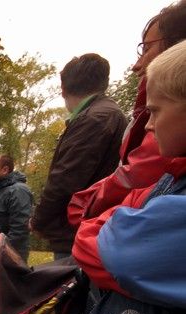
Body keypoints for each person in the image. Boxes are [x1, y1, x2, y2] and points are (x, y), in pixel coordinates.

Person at [58, 41, 186, 314]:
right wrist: (123, 220)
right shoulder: (171, 180)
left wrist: (113, 224)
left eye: (157, 111)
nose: (149, 125)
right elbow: (126, 215)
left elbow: (108, 249)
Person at [68, 2, 186, 227]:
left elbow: (137, 175)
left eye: (146, 49)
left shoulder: (97, 117)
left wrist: (81, 208)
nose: (136, 65)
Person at [30, 53, 127, 260]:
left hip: (79, 231)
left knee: (71, 279)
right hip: (89, 228)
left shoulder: (95, 119)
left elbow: (65, 179)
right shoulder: (104, 113)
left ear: (63, 89)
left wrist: (38, 220)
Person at [0, 155, 33, 270]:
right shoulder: (0, 192)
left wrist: (4, 252)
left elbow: (20, 228)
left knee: (8, 283)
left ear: (5, 170)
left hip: (9, 256)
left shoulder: (18, 190)